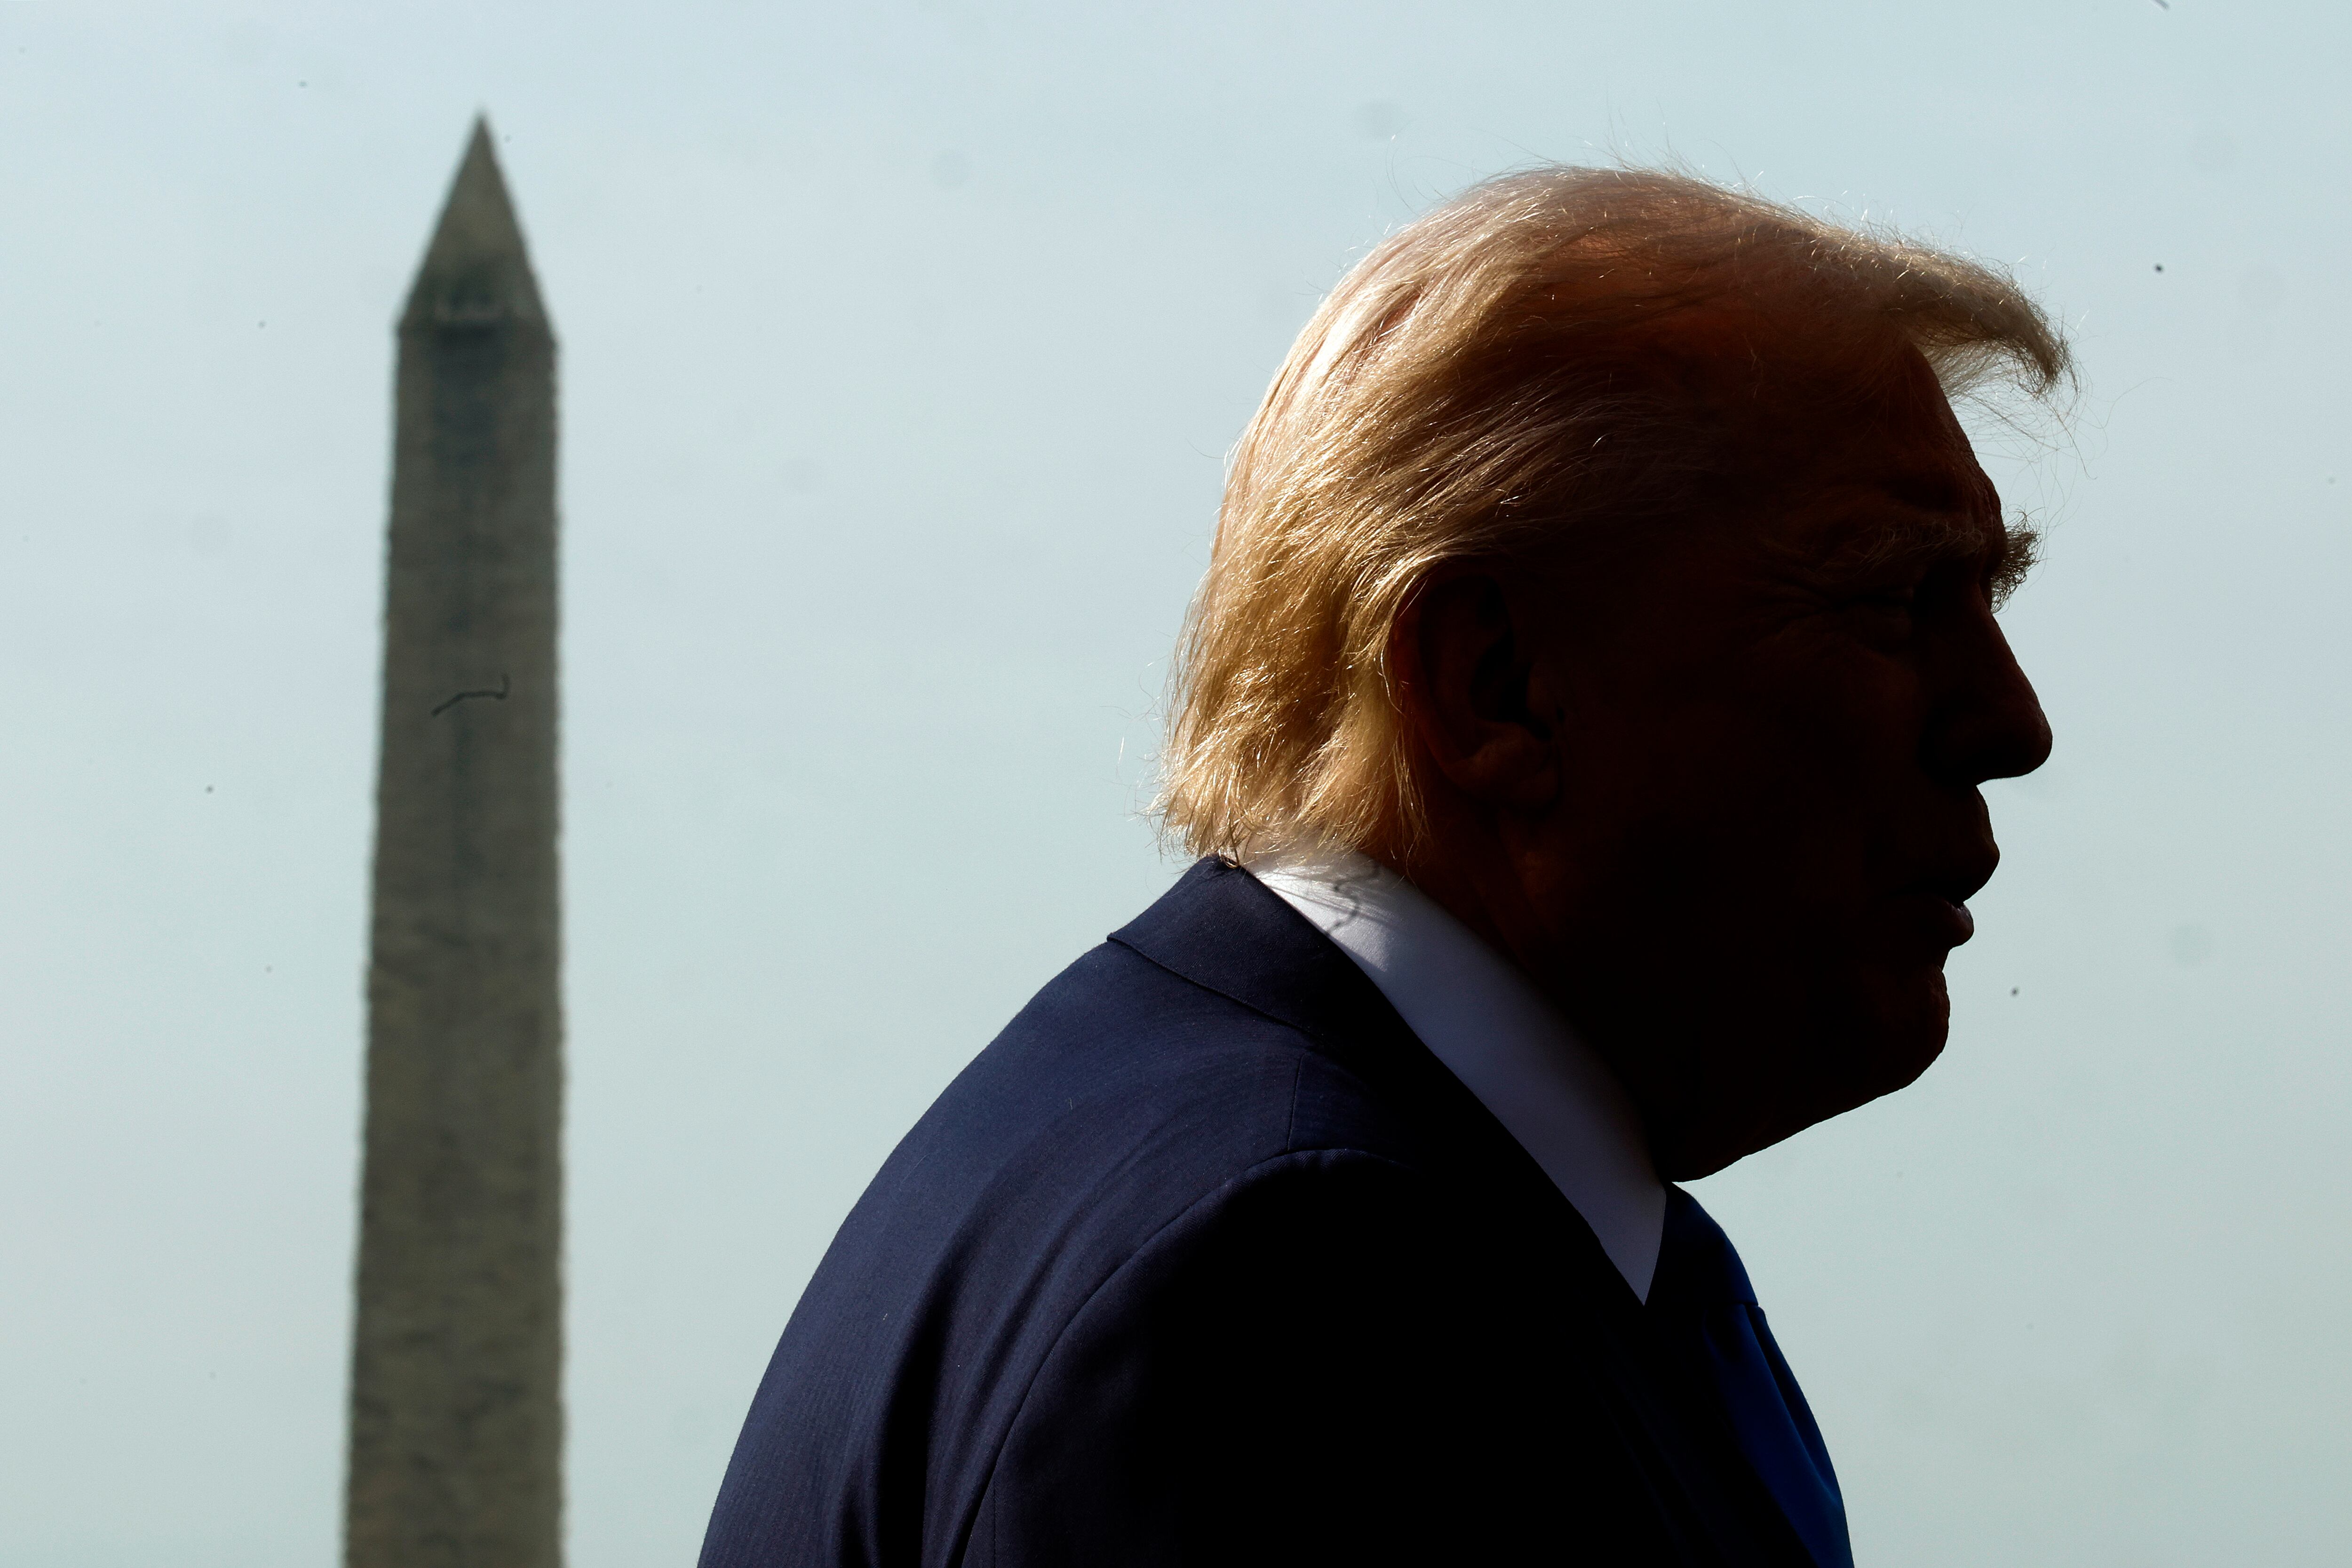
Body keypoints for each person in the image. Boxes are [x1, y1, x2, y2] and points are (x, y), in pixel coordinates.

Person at [700, 166, 2065, 1567]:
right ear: (1496, 685)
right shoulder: (1298, 1283)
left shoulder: (1297, 1187)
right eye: (1893, 598)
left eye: (1989, 596)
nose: (2011, 725)